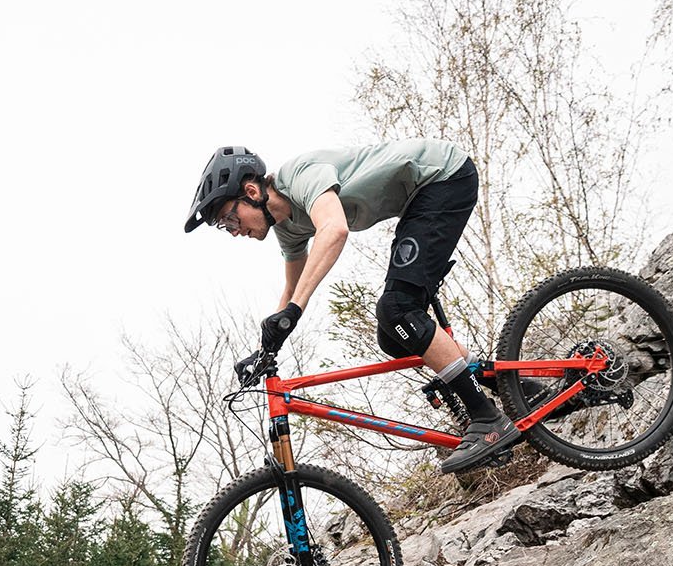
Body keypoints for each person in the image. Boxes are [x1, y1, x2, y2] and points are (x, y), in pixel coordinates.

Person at [184, 141, 520, 474]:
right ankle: (515, 386)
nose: (232, 231)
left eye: (229, 219)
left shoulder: (299, 176)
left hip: (444, 178)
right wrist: (265, 349)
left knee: (397, 311)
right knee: (395, 335)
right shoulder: (287, 228)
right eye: (223, 227)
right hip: (420, 201)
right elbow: (293, 288)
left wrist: (294, 311)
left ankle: (488, 420)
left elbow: (334, 229)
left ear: (252, 192)